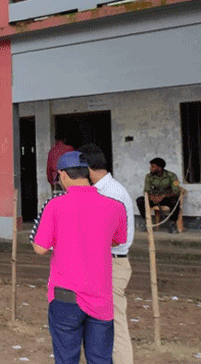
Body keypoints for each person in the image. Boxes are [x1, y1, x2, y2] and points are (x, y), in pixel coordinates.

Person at [30, 151, 127, 364]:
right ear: (88, 174)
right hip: (101, 296)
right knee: (101, 358)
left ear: (63, 175)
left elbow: (40, 248)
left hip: (66, 296)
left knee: (66, 358)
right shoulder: (115, 207)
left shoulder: (55, 205)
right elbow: (118, 240)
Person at [79, 144, 135, 364]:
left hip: (111, 264)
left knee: (115, 324)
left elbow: (108, 236)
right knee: (99, 323)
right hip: (102, 263)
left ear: (87, 167)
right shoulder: (105, 189)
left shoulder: (109, 193)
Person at [136, 157, 181, 233]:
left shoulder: (172, 176)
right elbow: (146, 191)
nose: (150, 168)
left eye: (153, 166)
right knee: (140, 200)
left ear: (159, 168)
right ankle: (147, 222)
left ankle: (173, 223)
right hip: (154, 199)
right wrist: (152, 197)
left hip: (166, 198)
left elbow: (176, 191)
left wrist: (163, 196)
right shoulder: (149, 176)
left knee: (176, 201)